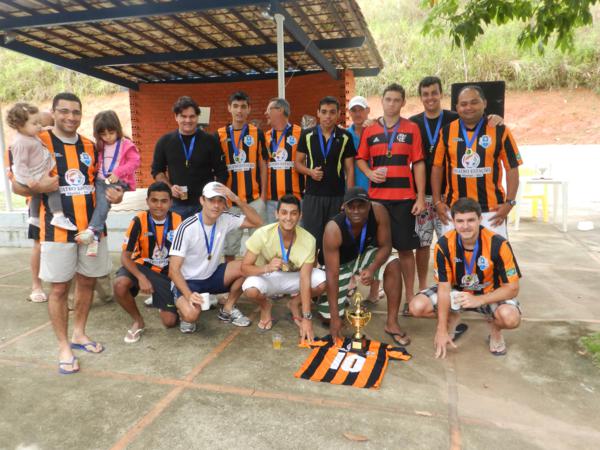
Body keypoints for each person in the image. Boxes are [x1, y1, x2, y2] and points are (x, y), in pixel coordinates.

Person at [10, 92, 124, 374]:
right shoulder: (37, 140)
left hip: (91, 231)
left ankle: (79, 334)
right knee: (59, 289)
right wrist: (39, 187)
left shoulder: (90, 145)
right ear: (53, 112)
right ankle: (63, 346)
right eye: (64, 111)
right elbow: (16, 185)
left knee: (87, 282)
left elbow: (102, 182)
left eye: (76, 112)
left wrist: (117, 194)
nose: (70, 117)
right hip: (55, 232)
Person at [410, 198, 522, 357]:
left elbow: (513, 288)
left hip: (489, 293)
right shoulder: (444, 244)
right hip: (457, 293)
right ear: (453, 221)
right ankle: (452, 317)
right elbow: (444, 288)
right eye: (460, 221)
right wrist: (441, 329)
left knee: (510, 318)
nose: (465, 226)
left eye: (471, 220)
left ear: (480, 219)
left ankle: (495, 329)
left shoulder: (499, 244)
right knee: (417, 307)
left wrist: (480, 300)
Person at [356, 83, 426, 314]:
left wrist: (420, 197)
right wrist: (369, 173)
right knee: (377, 249)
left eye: (397, 100)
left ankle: (410, 297)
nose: (392, 104)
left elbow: (418, 163)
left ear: (403, 102)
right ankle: (374, 293)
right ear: (382, 101)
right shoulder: (370, 130)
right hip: (377, 201)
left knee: (405, 250)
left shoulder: (412, 128)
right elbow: (360, 159)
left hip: (404, 199)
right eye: (388, 99)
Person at [168, 181, 263, 333]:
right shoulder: (187, 227)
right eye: (211, 200)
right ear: (202, 200)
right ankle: (181, 305)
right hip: (188, 281)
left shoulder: (225, 218)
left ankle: (228, 308)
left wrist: (236, 199)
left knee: (246, 267)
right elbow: (173, 270)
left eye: (220, 201)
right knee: (191, 316)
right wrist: (189, 295)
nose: (216, 205)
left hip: (211, 276)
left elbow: (257, 221)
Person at [321, 187, 410, 345]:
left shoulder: (379, 211)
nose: (356, 211)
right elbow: (332, 274)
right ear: (343, 207)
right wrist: (334, 318)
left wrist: (372, 268)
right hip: (338, 265)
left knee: (394, 263)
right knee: (328, 319)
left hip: (361, 255)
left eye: (361, 206)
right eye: (351, 207)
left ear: (369, 205)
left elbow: (386, 246)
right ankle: (325, 303)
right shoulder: (333, 229)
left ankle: (392, 323)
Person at [432, 85, 521, 239]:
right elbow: (437, 167)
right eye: (464, 104)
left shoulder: (500, 130)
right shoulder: (446, 131)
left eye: (474, 102)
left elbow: (512, 168)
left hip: (491, 212)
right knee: (453, 254)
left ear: (484, 103)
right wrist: (437, 202)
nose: (468, 107)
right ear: (457, 107)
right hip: (455, 212)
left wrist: (510, 203)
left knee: (494, 254)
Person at [241, 194, 326, 338]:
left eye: (293, 213)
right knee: (249, 288)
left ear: (300, 216)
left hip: (295, 278)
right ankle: (265, 306)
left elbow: (305, 278)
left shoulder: (309, 240)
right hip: (269, 276)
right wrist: (266, 268)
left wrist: (307, 317)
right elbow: (244, 268)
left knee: (322, 280)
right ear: (277, 214)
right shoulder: (262, 234)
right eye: (284, 213)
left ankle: (295, 303)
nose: (288, 218)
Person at [113, 182, 182, 343]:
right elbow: (125, 257)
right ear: (147, 201)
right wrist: (141, 277)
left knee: (170, 322)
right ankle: (138, 321)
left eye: (164, 201)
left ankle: (161, 299)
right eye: (154, 200)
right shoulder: (138, 221)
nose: (159, 205)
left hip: (166, 272)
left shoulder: (179, 221)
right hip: (141, 266)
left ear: (171, 202)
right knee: (119, 284)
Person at [295, 96, 356, 262]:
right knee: (311, 241)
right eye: (324, 112)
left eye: (332, 112)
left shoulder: (345, 137)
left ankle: (333, 274)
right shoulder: (307, 135)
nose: (328, 116)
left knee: (335, 240)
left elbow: (350, 169)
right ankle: (313, 275)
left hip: (337, 197)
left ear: (338, 114)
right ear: (318, 113)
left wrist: (348, 199)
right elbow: (297, 163)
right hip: (313, 196)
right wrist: (310, 172)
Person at [76, 110, 141, 257]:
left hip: (118, 180)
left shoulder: (126, 144)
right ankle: (95, 238)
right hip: (100, 180)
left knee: (103, 203)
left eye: (111, 133)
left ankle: (92, 230)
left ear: (118, 129)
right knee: (98, 204)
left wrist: (118, 172)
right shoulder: (100, 146)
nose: (108, 137)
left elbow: (135, 162)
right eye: (103, 134)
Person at [152, 96, 228, 219]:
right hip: (176, 204)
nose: (188, 120)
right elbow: (157, 171)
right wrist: (169, 188)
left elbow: (222, 172)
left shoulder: (210, 140)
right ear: (176, 117)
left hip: (204, 204)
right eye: (183, 116)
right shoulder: (164, 142)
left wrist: (215, 197)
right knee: (177, 232)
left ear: (197, 117)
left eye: (192, 116)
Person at [6, 102, 77, 232]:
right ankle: (58, 215)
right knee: (53, 189)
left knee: (37, 195)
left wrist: (47, 128)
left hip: (35, 172)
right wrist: (29, 180)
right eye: (35, 123)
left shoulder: (29, 134)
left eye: (39, 123)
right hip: (31, 175)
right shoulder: (20, 143)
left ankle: (34, 217)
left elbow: (39, 129)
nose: (39, 126)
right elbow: (20, 165)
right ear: (20, 125)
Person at [216, 91, 267, 260]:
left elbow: (263, 165)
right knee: (230, 247)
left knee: (258, 244)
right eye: (235, 106)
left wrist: (264, 195)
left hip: (254, 200)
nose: (239, 110)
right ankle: (231, 275)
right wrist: (220, 198)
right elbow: (216, 168)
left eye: (243, 106)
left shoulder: (257, 133)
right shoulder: (219, 135)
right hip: (230, 202)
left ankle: (257, 275)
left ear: (249, 109)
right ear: (229, 108)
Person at [346, 95, 383, 305]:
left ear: (368, 110)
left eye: (361, 109)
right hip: (353, 195)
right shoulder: (346, 134)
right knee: (352, 239)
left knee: (376, 242)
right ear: (349, 113)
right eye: (354, 110)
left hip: (376, 194)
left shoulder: (377, 130)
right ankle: (351, 282)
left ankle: (374, 291)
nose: (357, 113)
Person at [263, 98, 304, 224]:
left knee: (296, 235)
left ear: (280, 110)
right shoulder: (266, 137)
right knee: (272, 235)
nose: (265, 113)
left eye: (269, 109)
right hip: (272, 201)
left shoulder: (300, 133)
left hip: (295, 199)